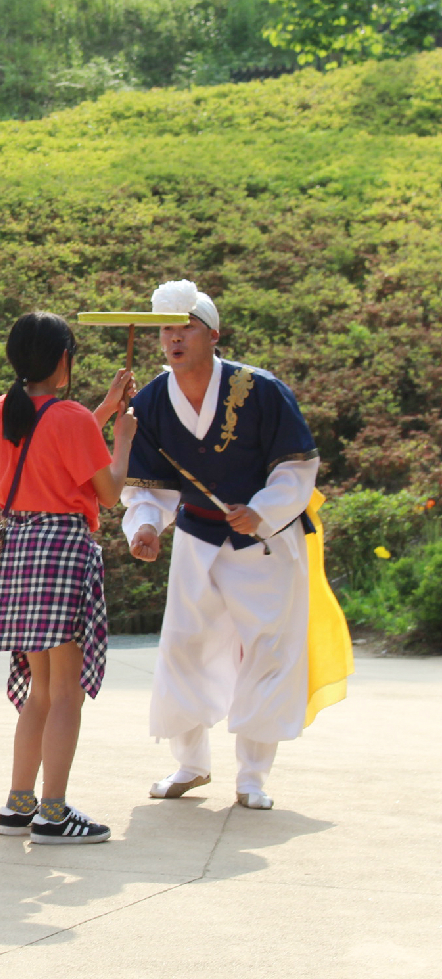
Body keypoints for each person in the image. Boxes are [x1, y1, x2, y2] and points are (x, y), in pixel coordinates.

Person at [123, 280, 320, 811]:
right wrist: (145, 526)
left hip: (264, 540)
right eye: (165, 329)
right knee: (183, 643)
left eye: (185, 327)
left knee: (267, 648)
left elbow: (297, 466)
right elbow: (150, 485)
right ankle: (190, 764)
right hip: (196, 533)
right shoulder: (152, 401)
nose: (173, 338)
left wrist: (263, 509)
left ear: (213, 334)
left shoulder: (261, 390)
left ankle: (253, 775)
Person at [0, 312, 136, 845]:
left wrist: (101, 410)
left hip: (22, 548)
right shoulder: (70, 418)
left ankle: (18, 804)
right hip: (62, 549)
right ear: (62, 359)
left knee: (41, 690)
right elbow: (110, 491)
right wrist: (122, 437)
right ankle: (53, 812)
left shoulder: (6, 409)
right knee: (65, 689)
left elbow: (51, 443)